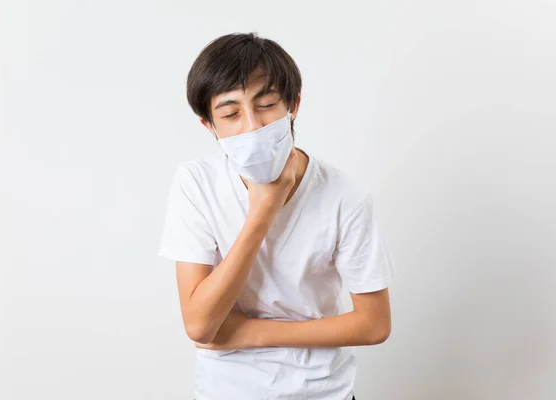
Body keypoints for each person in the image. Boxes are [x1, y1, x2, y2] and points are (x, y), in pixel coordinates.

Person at [157, 32, 398, 400]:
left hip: (322, 390)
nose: (252, 125)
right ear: (210, 125)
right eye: (231, 113)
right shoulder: (196, 183)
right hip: (226, 391)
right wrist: (261, 213)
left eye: (266, 103)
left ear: (293, 106)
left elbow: (375, 324)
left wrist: (248, 333)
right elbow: (200, 323)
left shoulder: (345, 195)